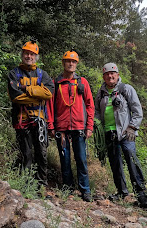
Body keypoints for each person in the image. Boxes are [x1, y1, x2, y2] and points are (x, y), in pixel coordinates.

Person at [94, 62, 147, 208]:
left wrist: (132, 127)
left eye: (113, 73)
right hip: (109, 132)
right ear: (104, 76)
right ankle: (122, 192)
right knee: (115, 163)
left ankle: (141, 194)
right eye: (107, 74)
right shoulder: (101, 92)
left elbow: (137, 110)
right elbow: (96, 111)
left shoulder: (126, 89)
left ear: (118, 75)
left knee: (131, 160)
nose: (110, 76)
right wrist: (97, 124)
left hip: (127, 132)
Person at [47, 50, 94, 202]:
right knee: (64, 160)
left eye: (74, 62)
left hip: (79, 127)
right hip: (61, 127)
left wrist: (89, 126)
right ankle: (68, 188)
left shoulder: (82, 82)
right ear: (63, 63)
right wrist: (51, 126)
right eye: (68, 61)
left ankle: (85, 190)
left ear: (76, 64)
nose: (71, 64)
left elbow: (90, 105)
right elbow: (50, 106)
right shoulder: (56, 82)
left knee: (81, 159)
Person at [7, 41, 54, 187]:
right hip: (22, 120)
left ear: (36, 56)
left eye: (32, 54)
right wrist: (37, 93)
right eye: (26, 53)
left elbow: (49, 93)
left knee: (42, 154)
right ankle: (26, 185)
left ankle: (41, 186)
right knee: (26, 155)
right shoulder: (13, 74)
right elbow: (15, 96)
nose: (29, 56)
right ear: (22, 55)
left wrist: (26, 88)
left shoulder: (42, 74)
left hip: (39, 121)